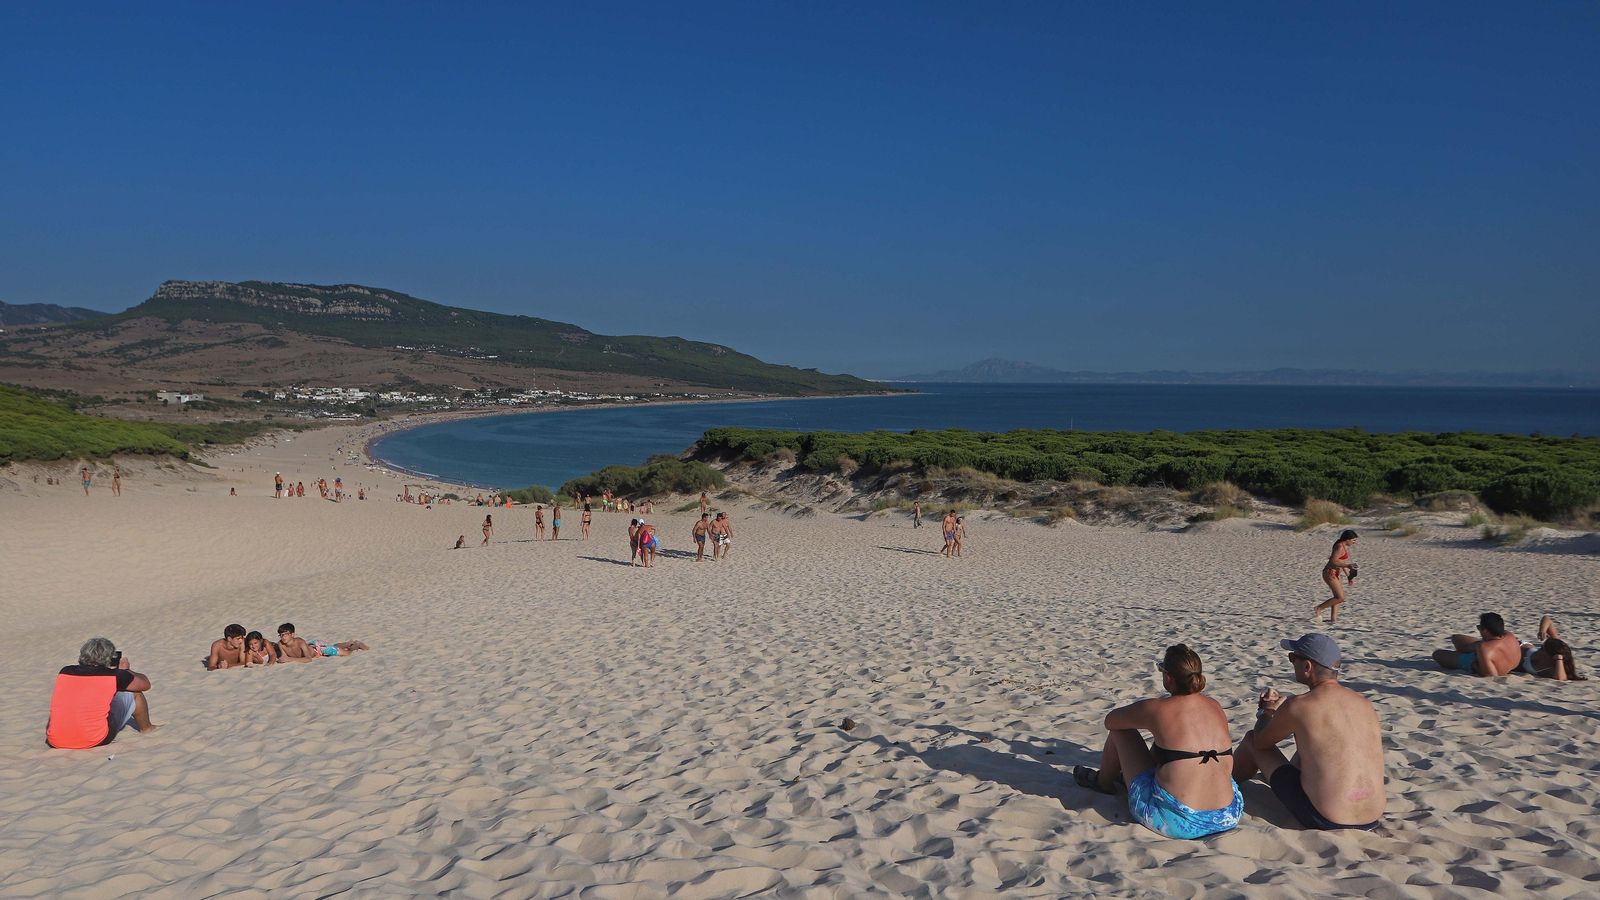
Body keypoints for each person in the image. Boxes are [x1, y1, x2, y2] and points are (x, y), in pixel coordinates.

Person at [1071, 644, 1242, 840]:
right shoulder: (1215, 706)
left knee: (1121, 734)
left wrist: (1150, 710)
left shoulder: (1158, 708)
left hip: (1179, 823)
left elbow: (1111, 721)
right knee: (1172, 749)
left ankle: (1103, 783)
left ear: (1168, 677)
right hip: (1227, 815)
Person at [1232, 633, 1385, 830]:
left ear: (1307, 666)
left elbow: (1262, 742)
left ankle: (1224, 785)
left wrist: (1266, 711)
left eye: (1293, 658)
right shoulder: (1364, 703)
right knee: (1314, 744)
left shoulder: (1299, 705)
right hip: (1371, 816)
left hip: (1327, 819)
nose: (1292, 662)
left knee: (1251, 740)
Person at [46, 637, 156, 749]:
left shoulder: (65, 671)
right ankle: (147, 728)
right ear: (109, 657)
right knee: (135, 692)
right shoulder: (114, 676)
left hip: (55, 740)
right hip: (96, 739)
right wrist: (126, 671)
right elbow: (145, 684)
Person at [1433, 612, 1521, 676]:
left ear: (1485, 630)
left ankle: (1461, 655)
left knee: (1437, 654)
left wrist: (1474, 665)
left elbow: (1490, 675)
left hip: (1476, 662)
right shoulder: (1509, 635)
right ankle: (1463, 652)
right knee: (1456, 638)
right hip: (1500, 657)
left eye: (1479, 628)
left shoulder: (1484, 648)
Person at [1312, 530, 1358, 624]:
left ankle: (1333, 620)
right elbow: (1333, 561)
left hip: (1336, 573)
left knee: (1338, 597)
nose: (1354, 542)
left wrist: (1348, 576)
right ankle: (1319, 608)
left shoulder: (1344, 546)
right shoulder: (1339, 546)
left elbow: (1341, 562)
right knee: (1340, 598)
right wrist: (1348, 566)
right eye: (1353, 540)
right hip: (1330, 573)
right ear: (1347, 539)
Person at [1520, 616, 1585, 680]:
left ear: (1549, 656)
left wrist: (1559, 659)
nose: (1539, 649)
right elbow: (1547, 619)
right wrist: (1542, 630)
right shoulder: (1555, 644)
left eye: (1542, 648)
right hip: (1520, 645)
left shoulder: (1551, 668)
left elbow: (1560, 678)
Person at [276, 623, 368, 660]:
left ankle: (356, 645)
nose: (283, 637)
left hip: (319, 649)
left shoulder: (300, 642)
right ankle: (347, 643)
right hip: (312, 645)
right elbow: (284, 657)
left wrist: (290, 659)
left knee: (347, 653)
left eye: (285, 634)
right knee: (333, 646)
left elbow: (308, 659)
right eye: (281, 634)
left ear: (292, 635)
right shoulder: (281, 644)